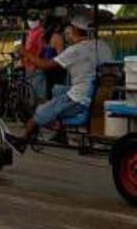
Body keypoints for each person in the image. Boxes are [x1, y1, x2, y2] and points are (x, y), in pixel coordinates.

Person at [19, 10, 113, 144]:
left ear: (75, 29)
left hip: (79, 99)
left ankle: (22, 140)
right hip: (99, 94)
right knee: (57, 90)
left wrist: (25, 53)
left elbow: (45, 65)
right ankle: (60, 133)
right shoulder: (103, 45)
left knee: (39, 112)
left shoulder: (75, 50)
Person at [21, 11, 47, 103]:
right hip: (29, 66)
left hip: (36, 67)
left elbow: (40, 50)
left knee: (39, 96)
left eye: (34, 20)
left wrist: (34, 65)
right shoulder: (31, 32)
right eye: (30, 20)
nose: (31, 22)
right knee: (31, 94)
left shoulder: (40, 32)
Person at [41, 14, 67, 99]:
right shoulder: (58, 37)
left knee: (50, 92)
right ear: (55, 26)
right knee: (58, 94)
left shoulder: (46, 37)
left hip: (47, 69)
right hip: (56, 69)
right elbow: (61, 55)